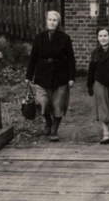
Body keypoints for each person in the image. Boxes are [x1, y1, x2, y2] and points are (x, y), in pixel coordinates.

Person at [26, 10, 75, 142]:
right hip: (42, 76)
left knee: (58, 105)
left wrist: (71, 78)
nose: (52, 22)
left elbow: (71, 59)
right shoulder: (39, 38)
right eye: (50, 20)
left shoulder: (65, 38)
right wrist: (28, 76)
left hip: (60, 77)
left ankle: (54, 130)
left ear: (58, 23)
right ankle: (48, 121)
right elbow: (33, 58)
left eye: (55, 20)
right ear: (46, 21)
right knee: (43, 103)